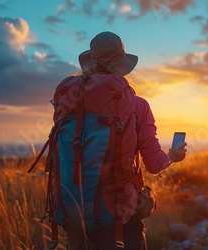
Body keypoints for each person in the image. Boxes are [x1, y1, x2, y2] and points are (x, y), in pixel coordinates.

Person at [64, 31, 187, 249]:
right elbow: (154, 164)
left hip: (74, 211)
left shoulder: (70, 102)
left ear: (90, 61)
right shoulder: (137, 105)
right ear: (122, 64)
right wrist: (172, 156)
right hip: (120, 214)